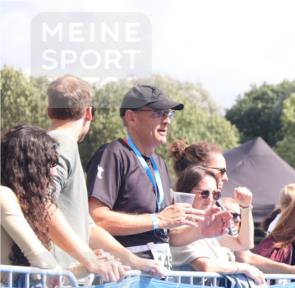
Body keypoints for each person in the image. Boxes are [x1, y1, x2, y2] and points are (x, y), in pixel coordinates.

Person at [47, 75, 163, 277]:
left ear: (48, 111)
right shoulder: (61, 144)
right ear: (89, 113)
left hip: (63, 282)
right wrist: (89, 259)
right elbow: (43, 207)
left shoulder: (59, 145)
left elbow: (88, 226)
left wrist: (136, 262)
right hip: (56, 283)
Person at [87, 84, 212, 267]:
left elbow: (167, 235)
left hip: (157, 276)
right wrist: (158, 219)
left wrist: (202, 229)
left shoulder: (159, 163)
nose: (166, 120)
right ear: (131, 118)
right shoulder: (113, 154)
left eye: (168, 114)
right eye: (157, 113)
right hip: (124, 276)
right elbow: (97, 218)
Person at [2, 124, 125, 283]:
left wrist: (85, 268)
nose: (54, 172)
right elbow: (44, 264)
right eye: (49, 163)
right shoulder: (3, 196)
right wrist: (90, 262)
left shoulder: (25, 205)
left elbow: (47, 278)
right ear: (28, 167)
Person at [170, 166, 295, 282]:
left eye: (216, 194)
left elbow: (244, 245)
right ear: (185, 193)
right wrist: (242, 268)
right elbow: (206, 266)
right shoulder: (180, 228)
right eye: (204, 194)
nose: (211, 199)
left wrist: (245, 207)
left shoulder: (207, 228)